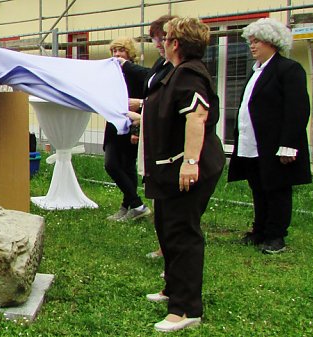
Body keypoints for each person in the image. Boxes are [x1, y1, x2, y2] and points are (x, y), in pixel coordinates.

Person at [141, 17, 224, 332]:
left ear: (176, 43)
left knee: (183, 234)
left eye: (166, 37)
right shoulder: (174, 74)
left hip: (186, 169)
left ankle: (186, 308)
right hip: (167, 170)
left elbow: (197, 116)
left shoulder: (189, 74)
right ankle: (173, 289)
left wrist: (190, 162)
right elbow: (170, 114)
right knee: (166, 228)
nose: (162, 42)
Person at [227, 18, 311, 254]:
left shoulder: (288, 69)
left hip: (274, 144)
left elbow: (297, 108)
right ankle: (260, 230)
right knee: (258, 187)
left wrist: (288, 144)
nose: (252, 46)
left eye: (257, 41)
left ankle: (276, 236)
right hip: (253, 143)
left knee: (277, 189)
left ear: (272, 42)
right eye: (250, 41)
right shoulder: (255, 71)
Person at [123, 14, 178, 259]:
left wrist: (140, 106)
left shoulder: (181, 69)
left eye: (162, 38)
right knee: (156, 195)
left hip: (168, 142)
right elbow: (154, 99)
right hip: (152, 133)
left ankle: (170, 247)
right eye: (156, 38)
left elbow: (167, 103)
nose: (158, 43)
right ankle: (163, 245)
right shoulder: (161, 64)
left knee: (168, 199)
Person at [105, 37, 150, 222]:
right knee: (112, 164)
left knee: (126, 166)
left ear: (129, 54)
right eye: (114, 51)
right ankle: (132, 205)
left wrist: (136, 132)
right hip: (114, 126)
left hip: (133, 125)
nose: (117, 55)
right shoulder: (111, 74)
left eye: (121, 50)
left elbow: (147, 97)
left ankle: (133, 206)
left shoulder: (137, 73)